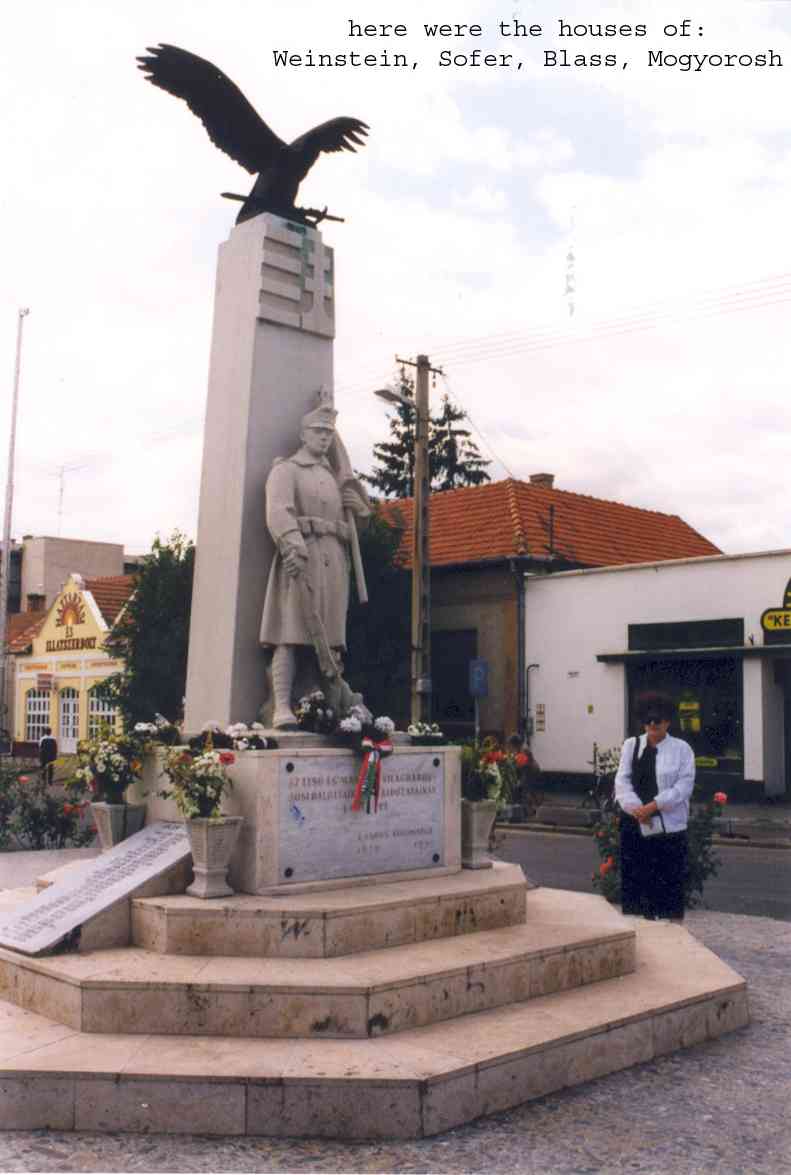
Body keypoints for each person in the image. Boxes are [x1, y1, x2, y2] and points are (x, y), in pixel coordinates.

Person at [260, 397, 370, 728]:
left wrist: (362, 511)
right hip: (301, 555)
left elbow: (352, 524)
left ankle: (327, 703)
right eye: (318, 431)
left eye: (329, 432)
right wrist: (292, 544)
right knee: (291, 632)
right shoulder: (286, 470)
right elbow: (278, 510)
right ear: (304, 434)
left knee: (329, 638)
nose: (324, 437)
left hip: (334, 559)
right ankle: (281, 705)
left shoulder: (336, 477)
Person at [614, 692, 695, 921]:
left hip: (668, 827)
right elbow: (622, 781)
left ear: (668, 721)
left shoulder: (682, 749)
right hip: (636, 825)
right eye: (648, 720)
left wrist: (653, 806)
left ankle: (671, 936)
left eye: (657, 720)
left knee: (668, 884)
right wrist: (638, 811)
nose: (652, 724)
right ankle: (642, 931)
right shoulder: (631, 745)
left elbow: (683, 787)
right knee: (639, 885)